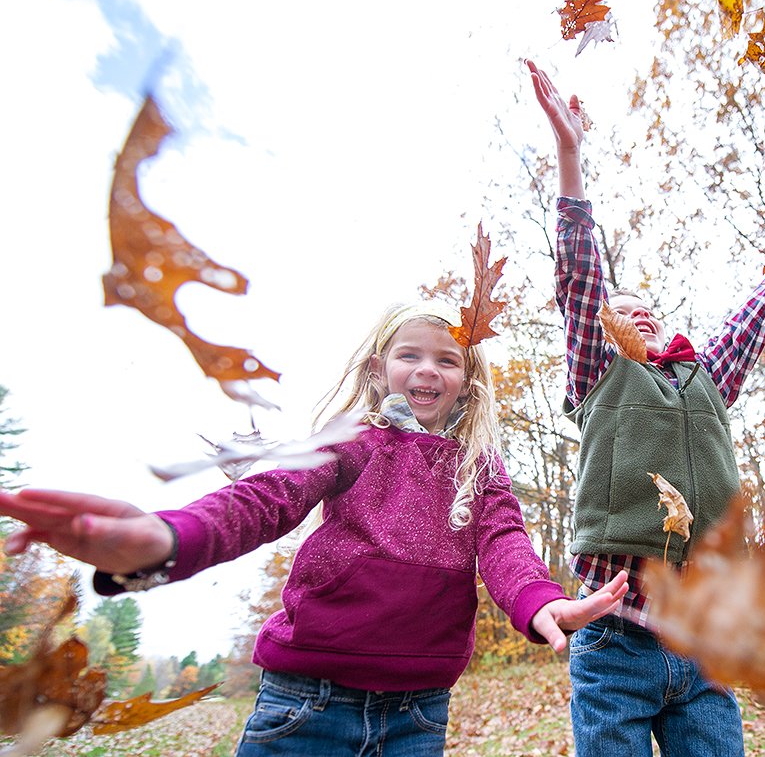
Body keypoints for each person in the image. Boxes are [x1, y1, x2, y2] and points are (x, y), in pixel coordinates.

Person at [0, 301, 628, 757]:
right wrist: (169, 538)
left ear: (468, 381)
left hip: (418, 713)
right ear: (380, 370)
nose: (428, 370)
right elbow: (268, 498)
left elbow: (504, 545)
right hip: (306, 705)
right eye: (410, 354)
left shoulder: (479, 466)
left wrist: (541, 602)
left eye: (447, 360)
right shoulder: (352, 441)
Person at [526, 59, 765, 756]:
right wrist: (569, 156)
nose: (638, 314)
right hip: (618, 632)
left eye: (648, 309)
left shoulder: (703, 378)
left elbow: (751, 322)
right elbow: (581, 275)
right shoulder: (598, 372)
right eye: (623, 311)